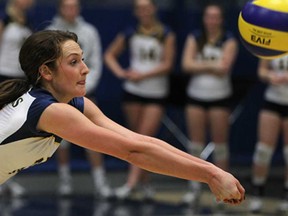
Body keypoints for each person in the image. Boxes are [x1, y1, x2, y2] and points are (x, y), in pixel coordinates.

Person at [0, 29, 245, 206]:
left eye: (82, 59)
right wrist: (209, 175)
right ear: (46, 71)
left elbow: (140, 142)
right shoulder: (53, 112)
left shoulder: (74, 104)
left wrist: (212, 170)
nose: (85, 69)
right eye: (73, 62)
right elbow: (132, 153)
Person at [104, 0, 175, 200]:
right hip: (133, 92)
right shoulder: (130, 32)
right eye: (139, 8)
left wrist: (144, 75)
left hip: (156, 93)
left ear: (154, 8)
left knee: (145, 137)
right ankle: (145, 182)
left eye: (147, 7)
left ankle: (131, 184)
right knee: (134, 138)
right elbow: (109, 55)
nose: (143, 11)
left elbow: (168, 64)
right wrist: (122, 73)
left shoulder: (166, 33)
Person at [45, 0, 110, 198]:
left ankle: (100, 182)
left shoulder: (89, 31)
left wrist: (81, 89)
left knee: (95, 137)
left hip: (85, 93)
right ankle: (65, 181)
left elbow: (96, 64)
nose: (71, 10)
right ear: (60, 8)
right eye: (67, 6)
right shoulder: (49, 32)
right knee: (61, 140)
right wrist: (61, 90)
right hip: (58, 96)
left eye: (74, 6)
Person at [181, 3, 238, 204]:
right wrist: (212, 65)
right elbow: (186, 64)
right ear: (204, 18)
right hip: (196, 96)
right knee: (195, 145)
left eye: (216, 17)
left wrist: (201, 64)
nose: (212, 21)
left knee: (220, 146)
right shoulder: (195, 37)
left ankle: (225, 190)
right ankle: (194, 188)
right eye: (209, 16)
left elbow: (224, 68)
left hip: (220, 98)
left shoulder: (229, 40)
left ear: (221, 19)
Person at [0, 0, 34, 197]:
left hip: (20, 79)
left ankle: (6, 179)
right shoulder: (5, 18)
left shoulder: (28, 20)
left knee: (13, 130)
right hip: (3, 77)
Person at [249, 56, 288, 212]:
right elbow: (262, 70)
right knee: (263, 150)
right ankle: (257, 193)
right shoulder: (275, 41)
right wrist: (270, 76)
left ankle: (286, 196)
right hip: (273, 100)